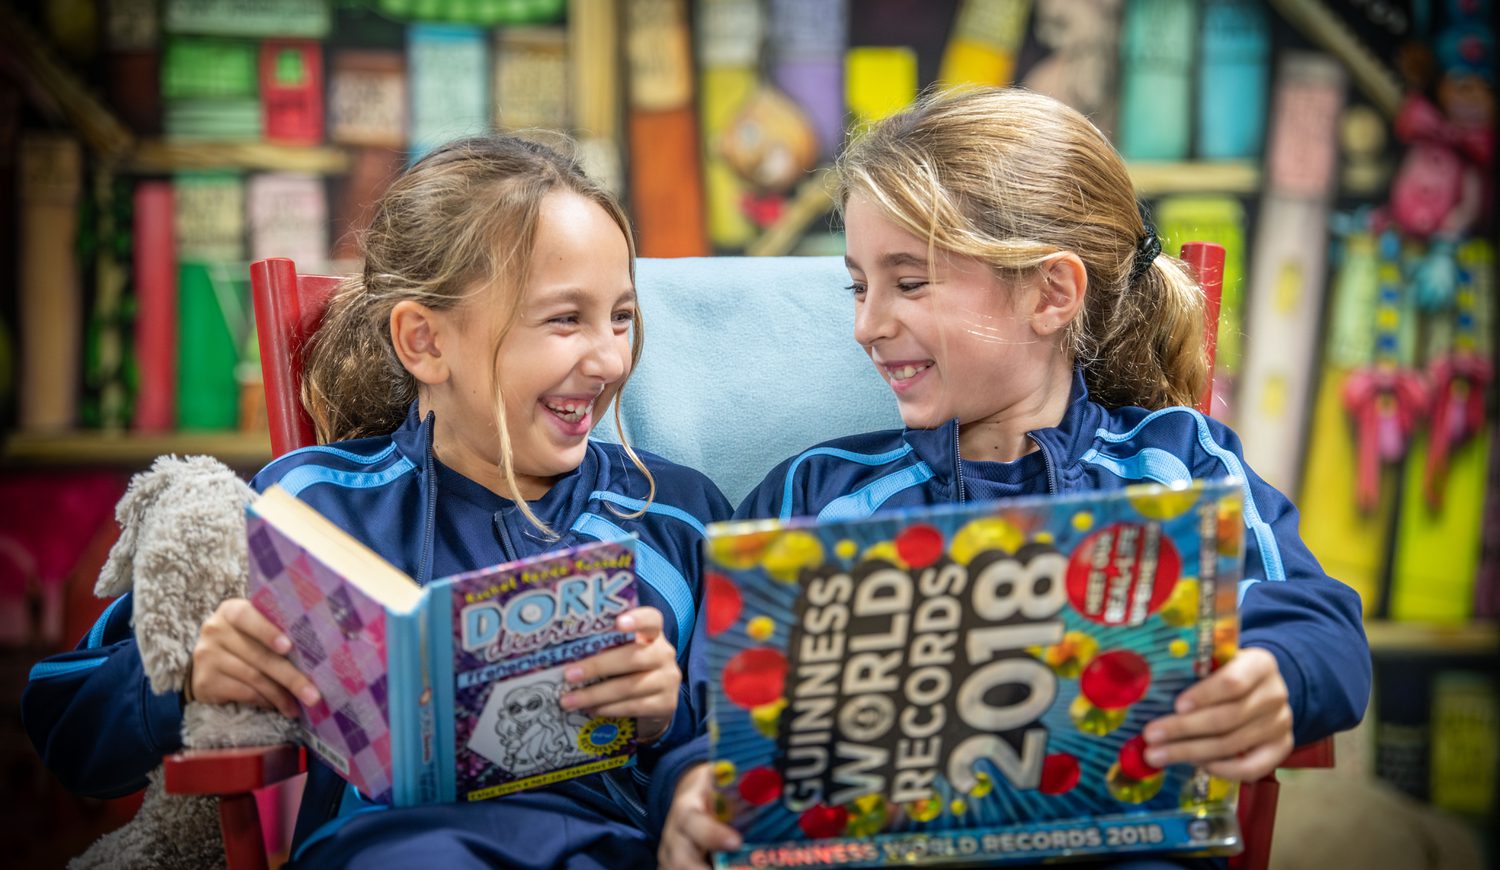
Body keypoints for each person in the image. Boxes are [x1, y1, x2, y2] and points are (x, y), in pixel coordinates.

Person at [657, 88, 1371, 870]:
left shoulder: (1173, 466)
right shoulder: (815, 495)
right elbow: (705, 720)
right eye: (859, 287)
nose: (866, 325)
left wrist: (1274, 676)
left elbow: (1323, 627)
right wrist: (694, 787)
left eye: (911, 282)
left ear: (1052, 294)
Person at [25, 135, 729, 869]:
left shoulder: (676, 514)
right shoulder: (310, 508)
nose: (611, 357)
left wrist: (665, 718)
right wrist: (184, 677)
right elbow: (62, 725)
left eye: (620, 316)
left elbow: (753, 756)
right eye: (563, 320)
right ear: (424, 342)